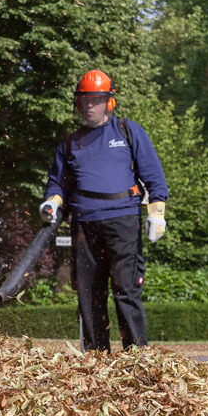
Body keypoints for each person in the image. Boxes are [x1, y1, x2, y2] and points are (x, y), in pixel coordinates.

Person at [39, 70, 168, 353]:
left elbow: (154, 176)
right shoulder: (70, 142)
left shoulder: (127, 130)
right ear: (77, 103)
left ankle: (137, 358)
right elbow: (57, 184)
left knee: (126, 291)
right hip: (84, 225)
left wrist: (156, 213)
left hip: (123, 221)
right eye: (84, 100)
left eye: (96, 99)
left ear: (109, 102)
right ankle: (96, 361)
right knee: (88, 296)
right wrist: (51, 202)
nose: (89, 105)